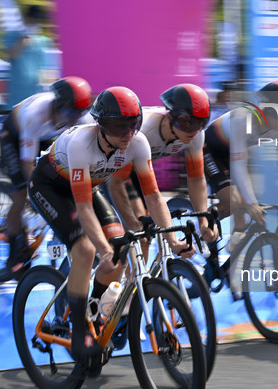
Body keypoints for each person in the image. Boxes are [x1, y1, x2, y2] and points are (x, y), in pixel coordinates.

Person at [28, 86, 193, 371]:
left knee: (120, 247)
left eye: (134, 125)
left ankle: (92, 305)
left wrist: (173, 240)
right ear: (101, 125)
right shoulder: (82, 143)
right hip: (50, 186)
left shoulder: (138, 144)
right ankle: (79, 326)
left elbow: (153, 198)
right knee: (85, 248)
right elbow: (83, 208)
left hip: (86, 187)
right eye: (119, 127)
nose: (128, 134)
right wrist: (102, 250)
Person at [204, 80, 278, 296]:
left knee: (242, 221)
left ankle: (230, 273)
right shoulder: (242, 119)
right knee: (237, 202)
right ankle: (205, 228)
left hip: (236, 154)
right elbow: (237, 167)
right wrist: (251, 203)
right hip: (211, 150)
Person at [107, 83, 218, 260]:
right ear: (171, 116)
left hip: (134, 168)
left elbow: (196, 179)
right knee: (137, 232)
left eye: (201, 124)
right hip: (109, 171)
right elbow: (116, 182)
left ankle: (138, 284)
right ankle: (124, 282)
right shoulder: (141, 133)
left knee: (146, 236)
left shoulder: (195, 135)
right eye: (187, 123)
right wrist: (132, 223)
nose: (194, 131)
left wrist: (203, 221)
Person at [0, 76, 92, 272]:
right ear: (56, 104)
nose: (73, 118)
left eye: (78, 113)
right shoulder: (36, 114)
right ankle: (13, 247)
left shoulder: (80, 117)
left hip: (44, 136)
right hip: (15, 135)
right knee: (21, 193)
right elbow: (27, 164)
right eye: (69, 111)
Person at [4, 4, 53, 110]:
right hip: (16, 99)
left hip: (34, 100)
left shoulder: (43, 41)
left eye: (37, 19)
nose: (35, 21)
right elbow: (12, 54)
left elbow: (45, 70)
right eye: (32, 18)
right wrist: (23, 37)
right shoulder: (11, 35)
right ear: (25, 18)